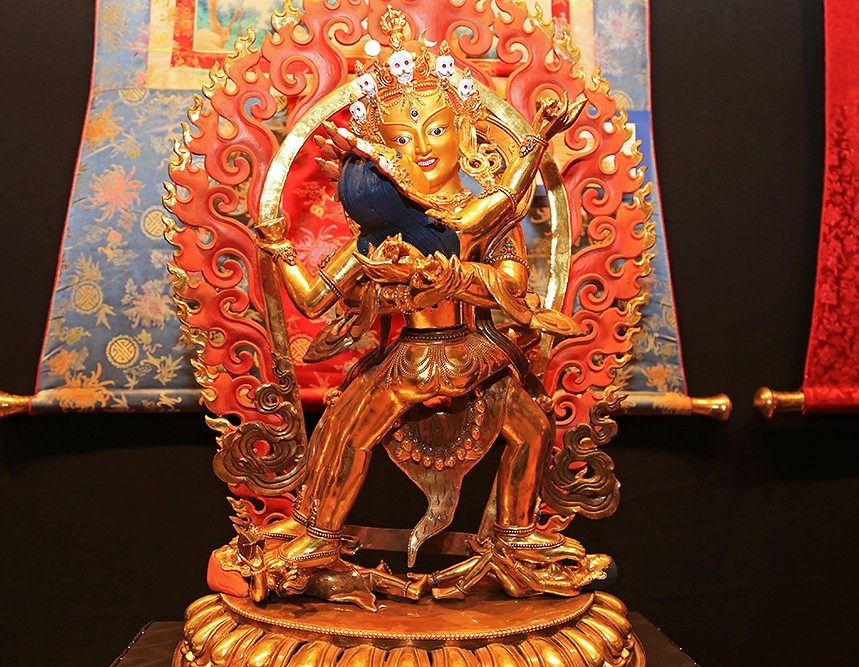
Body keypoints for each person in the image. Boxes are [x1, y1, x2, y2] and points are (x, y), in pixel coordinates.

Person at [246, 8, 608, 602]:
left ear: (464, 133)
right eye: (401, 139)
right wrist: (281, 250)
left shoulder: (481, 215)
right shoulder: (380, 236)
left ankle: (514, 541)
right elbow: (312, 301)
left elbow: (513, 285)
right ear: (382, 157)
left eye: (435, 129)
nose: (420, 148)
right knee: (343, 431)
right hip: (413, 355)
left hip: (477, 351)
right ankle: (317, 541)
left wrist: (450, 277)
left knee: (534, 430)